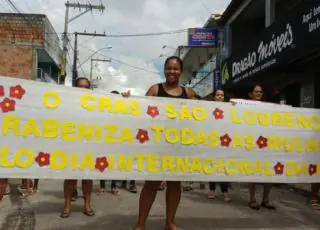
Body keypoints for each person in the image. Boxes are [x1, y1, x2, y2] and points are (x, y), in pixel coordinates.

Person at [133, 56, 197, 230]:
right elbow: (140, 112)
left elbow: (202, 115)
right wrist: (126, 100)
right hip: (157, 145)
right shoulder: (155, 89)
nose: (172, 72)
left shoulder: (189, 93)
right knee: (151, 184)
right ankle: (140, 223)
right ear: (164, 69)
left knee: (175, 184)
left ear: (181, 72)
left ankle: (170, 222)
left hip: (178, 146)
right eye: (169, 68)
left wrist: (231, 108)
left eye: (176, 69)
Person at [60, 77, 94, 218]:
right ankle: (67, 205)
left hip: (89, 144)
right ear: (75, 88)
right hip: (71, 144)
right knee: (70, 177)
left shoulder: (96, 104)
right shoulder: (67, 103)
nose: (82, 89)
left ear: (89, 89)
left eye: (85, 87)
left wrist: (125, 99)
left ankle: (87, 205)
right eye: (80, 86)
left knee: (88, 177)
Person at [247, 84, 275, 210]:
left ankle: (265, 199)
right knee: (253, 172)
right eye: (256, 91)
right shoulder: (245, 107)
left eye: (260, 92)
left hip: (266, 144)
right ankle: (252, 199)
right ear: (251, 94)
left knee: (269, 173)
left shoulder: (267, 108)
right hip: (252, 144)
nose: (259, 94)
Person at [207, 89, 231, 201]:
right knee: (213, 165)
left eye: (222, 95)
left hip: (225, 141)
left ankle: (225, 190)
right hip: (213, 141)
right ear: (214, 97)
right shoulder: (208, 108)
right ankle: (211, 189)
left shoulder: (229, 108)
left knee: (224, 165)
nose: (220, 96)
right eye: (218, 95)